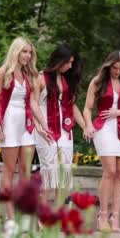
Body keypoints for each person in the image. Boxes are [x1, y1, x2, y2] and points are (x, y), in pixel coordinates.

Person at [0, 37, 51, 228]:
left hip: (26, 125)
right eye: (24, 51)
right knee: (9, 170)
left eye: (29, 52)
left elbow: (33, 103)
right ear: (16, 52)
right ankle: (9, 217)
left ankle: (24, 215)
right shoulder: (2, 73)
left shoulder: (30, 75)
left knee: (26, 170)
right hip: (9, 121)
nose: (27, 56)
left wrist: (43, 123)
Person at [83, 50, 120, 232]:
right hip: (103, 128)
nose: (117, 72)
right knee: (110, 170)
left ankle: (115, 217)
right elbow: (87, 108)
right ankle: (102, 214)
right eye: (115, 68)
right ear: (108, 66)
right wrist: (88, 126)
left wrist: (118, 112)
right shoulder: (97, 81)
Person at [35, 44, 85, 203]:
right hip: (45, 128)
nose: (70, 66)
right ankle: (41, 218)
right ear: (58, 60)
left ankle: (58, 217)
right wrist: (39, 126)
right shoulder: (40, 77)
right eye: (67, 62)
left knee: (63, 173)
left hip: (65, 130)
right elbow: (32, 104)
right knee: (49, 173)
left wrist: (85, 126)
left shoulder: (68, 79)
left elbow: (72, 105)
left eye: (72, 63)